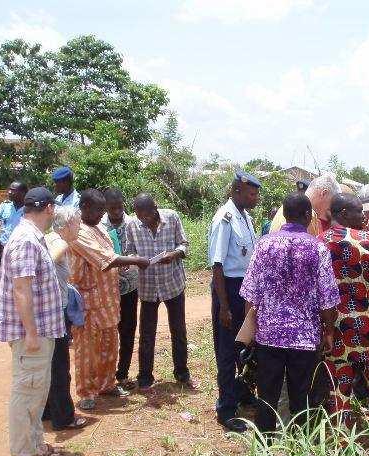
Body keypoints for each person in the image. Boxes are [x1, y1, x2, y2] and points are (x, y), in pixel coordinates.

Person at [240, 192, 339, 435]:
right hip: (304, 340)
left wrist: (250, 329)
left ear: (284, 215)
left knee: (267, 398)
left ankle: (264, 451)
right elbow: (327, 300)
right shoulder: (318, 249)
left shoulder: (264, 244)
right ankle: (297, 454)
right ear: (307, 216)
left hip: (268, 337)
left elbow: (250, 293)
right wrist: (329, 332)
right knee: (301, 400)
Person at [0, 187, 65, 456]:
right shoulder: (26, 240)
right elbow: (21, 290)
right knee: (28, 389)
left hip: (39, 331)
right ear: (48, 208)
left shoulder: (31, 237)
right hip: (31, 334)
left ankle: (35, 443)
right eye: (54, 208)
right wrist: (32, 334)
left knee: (36, 390)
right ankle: (25, 449)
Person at [65, 189, 149, 409]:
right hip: (89, 301)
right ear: (84, 207)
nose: (102, 215)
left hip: (109, 299)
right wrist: (135, 260)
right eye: (98, 210)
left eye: (103, 211)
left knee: (109, 345)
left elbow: (113, 254)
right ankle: (86, 392)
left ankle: (107, 384)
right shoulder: (78, 232)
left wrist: (125, 265)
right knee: (88, 349)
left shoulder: (100, 227)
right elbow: (105, 258)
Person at [320, 193, 369, 444]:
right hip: (368, 327)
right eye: (357, 211)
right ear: (341, 213)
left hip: (335, 328)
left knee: (339, 385)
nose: (363, 216)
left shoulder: (320, 243)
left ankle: (341, 441)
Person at [124, 193, 199, 391]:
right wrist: (135, 260)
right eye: (140, 216)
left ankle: (182, 373)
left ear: (155, 209)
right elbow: (129, 251)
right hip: (148, 286)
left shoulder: (172, 217)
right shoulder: (133, 225)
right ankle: (145, 376)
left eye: (147, 216)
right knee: (147, 333)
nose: (144, 220)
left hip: (172, 283)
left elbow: (184, 244)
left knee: (178, 330)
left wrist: (174, 254)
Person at [209, 170, 260, 432]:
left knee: (245, 346)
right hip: (228, 289)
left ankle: (240, 392)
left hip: (244, 289)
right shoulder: (224, 219)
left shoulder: (246, 218)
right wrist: (225, 307)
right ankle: (226, 409)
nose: (256, 198)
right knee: (227, 352)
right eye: (252, 194)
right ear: (236, 191)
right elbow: (217, 265)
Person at [42, 207, 88, 430]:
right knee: (60, 366)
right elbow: (47, 264)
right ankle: (65, 417)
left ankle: (48, 411)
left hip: (49, 310)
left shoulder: (49, 238)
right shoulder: (60, 243)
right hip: (56, 312)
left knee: (50, 364)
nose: (79, 227)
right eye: (77, 224)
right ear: (67, 226)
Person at [101, 187, 140, 389]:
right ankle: (106, 375)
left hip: (130, 286)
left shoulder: (133, 222)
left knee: (128, 329)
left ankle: (122, 373)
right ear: (106, 206)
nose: (116, 211)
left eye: (119, 207)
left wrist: (130, 260)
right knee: (109, 330)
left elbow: (139, 249)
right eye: (112, 208)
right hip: (108, 287)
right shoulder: (100, 225)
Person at [0, 181, 27, 334]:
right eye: (9, 190)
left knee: (21, 287)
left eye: (14, 191)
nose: (10, 193)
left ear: (23, 193)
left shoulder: (29, 210)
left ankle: (21, 321)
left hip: (21, 253)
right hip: (3, 252)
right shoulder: (5, 206)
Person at [269, 172, 340, 236]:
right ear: (324, 193)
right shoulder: (307, 215)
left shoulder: (287, 207)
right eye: (332, 203)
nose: (332, 209)